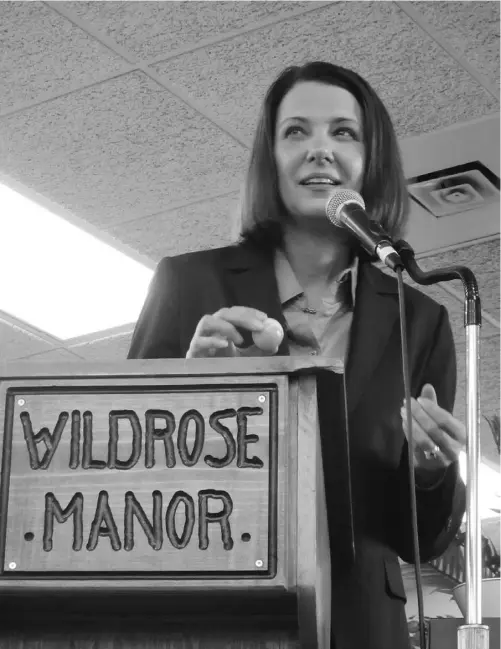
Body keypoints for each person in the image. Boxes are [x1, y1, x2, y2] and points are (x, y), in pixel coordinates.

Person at [128, 61, 466, 649]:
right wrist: (189, 390)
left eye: (343, 132)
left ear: (371, 161)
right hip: (215, 614)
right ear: (270, 159)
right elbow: (121, 477)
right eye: (296, 132)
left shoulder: (423, 320)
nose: (319, 150)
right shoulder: (188, 285)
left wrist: (432, 472)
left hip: (363, 623)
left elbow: (422, 540)